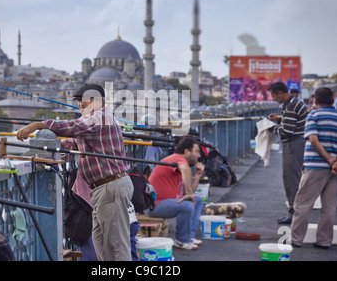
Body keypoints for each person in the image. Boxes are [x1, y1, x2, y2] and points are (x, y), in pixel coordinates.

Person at [16, 83, 134, 261]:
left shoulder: (100, 118)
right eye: (79, 100)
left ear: (99, 101)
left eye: (86, 100)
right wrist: (47, 147)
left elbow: (73, 127)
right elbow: (72, 143)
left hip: (111, 188)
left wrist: (38, 125)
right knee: (100, 242)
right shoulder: (92, 124)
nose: (80, 104)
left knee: (116, 246)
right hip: (102, 190)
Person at [290, 87, 337, 249]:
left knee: (303, 204)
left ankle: (296, 240)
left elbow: (313, 139)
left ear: (315, 101)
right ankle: (324, 241)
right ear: (333, 101)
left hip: (315, 167)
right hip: (336, 170)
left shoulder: (313, 115)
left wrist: (329, 159)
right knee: (329, 206)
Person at [147, 136, 204, 250]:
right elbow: (185, 169)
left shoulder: (179, 162)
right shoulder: (178, 159)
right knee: (188, 205)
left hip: (166, 204)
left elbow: (190, 193)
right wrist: (189, 195)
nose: (199, 156)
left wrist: (197, 175)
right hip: (154, 206)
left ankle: (190, 236)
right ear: (187, 151)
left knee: (197, 201)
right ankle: (181, 240)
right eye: (197, 151)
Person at [268, 82, 308, 224]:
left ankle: (294, 214)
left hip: (293, 145)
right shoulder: (294, 102)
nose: (273, 99)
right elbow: (292, 122)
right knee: (295, 177)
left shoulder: (290, 106)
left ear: (280, 93)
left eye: (274, 96)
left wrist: (271, 127)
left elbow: (286, 131)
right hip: (299, 143)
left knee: (291, 179)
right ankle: (296, 211)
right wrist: (279, 119)